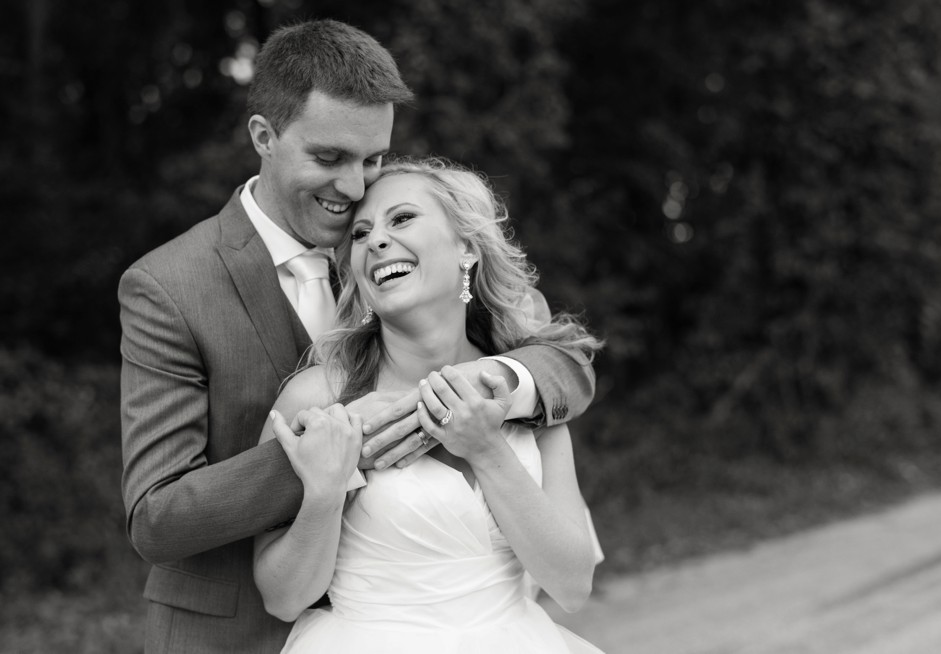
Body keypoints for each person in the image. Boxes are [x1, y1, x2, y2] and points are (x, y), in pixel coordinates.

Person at [118, 19, 596, 654]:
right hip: (240, 635)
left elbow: (560, 360)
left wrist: (506, 384)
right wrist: (335, 456)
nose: (353, 188)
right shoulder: (170, 286)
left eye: (372, 159)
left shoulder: (389, 243)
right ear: (264, 136)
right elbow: (155, 519)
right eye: (329, 158)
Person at [253, 156, 605, 653]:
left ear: (466, 246)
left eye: (401, 219)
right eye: (359, 233)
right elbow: (283, 599)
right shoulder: (317, 397)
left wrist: (486, 449)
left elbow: (572, 585)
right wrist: (326, 493)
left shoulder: (523, 397)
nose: (375, 241)